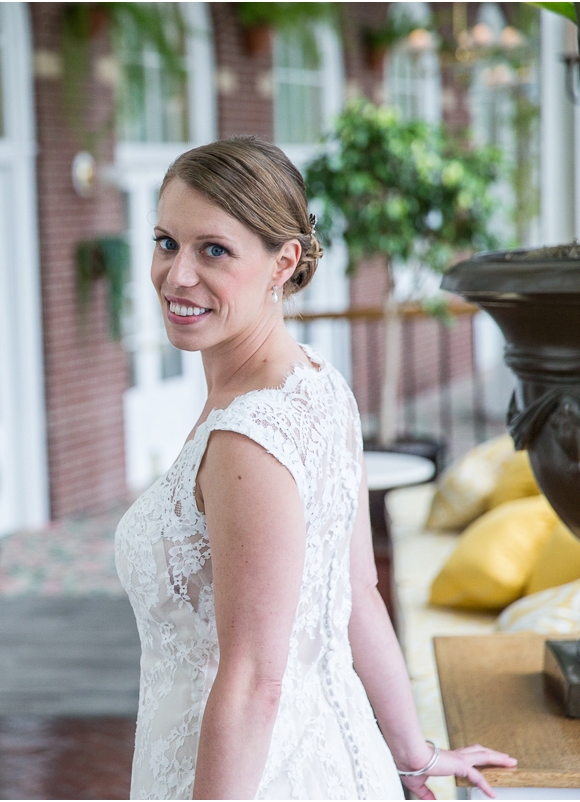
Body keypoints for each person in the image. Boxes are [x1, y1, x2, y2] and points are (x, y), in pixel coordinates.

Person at [113, 137, 516, 800]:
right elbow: (355, 592)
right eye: (165, 242)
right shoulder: (319, 385)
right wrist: (411, 753)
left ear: (284, 262)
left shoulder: (248, 438)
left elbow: (252, 683)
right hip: (326, 757)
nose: (177, 275)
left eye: (212, 249)